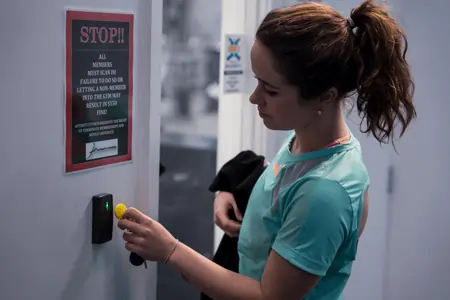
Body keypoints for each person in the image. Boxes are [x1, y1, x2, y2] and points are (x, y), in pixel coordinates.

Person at [117, 1, 416, 299]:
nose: (254, 98)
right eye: (258, 81)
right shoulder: (306, 141)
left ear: (325, 97)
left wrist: (170, 250)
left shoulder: (326, 192)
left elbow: (267, 296)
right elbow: (284, 195)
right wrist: (232, 193)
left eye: (271, 90)